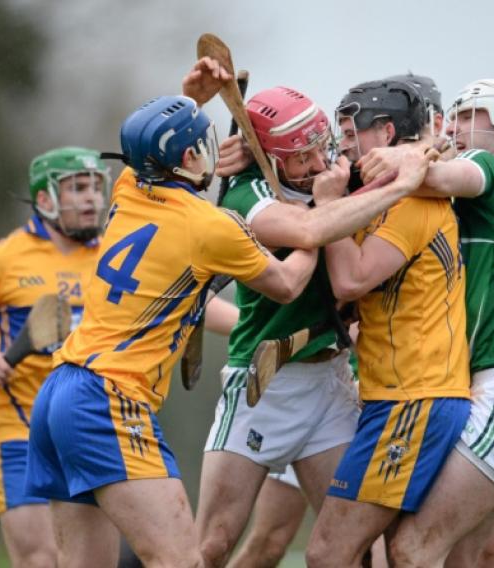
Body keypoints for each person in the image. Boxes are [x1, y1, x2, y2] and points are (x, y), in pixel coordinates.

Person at [21, 94, 322, 567]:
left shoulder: (128, 189)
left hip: (58, 393)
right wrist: (317, 226)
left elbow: (150, 145)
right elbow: (286, 283)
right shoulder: (208, 225)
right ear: (188, 157)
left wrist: (193, 95)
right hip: (110, 399)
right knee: (183, 561)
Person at [181, 60, 442, 567]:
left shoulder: (335, 178)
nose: (316, 163)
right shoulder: (245, 195)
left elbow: (415, 156)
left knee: (354, 550)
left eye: (319, 147)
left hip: (330, 383)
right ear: (269, 159)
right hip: (263, 387)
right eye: (298, 158)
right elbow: (307, 231)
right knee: (210, 547)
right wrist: (352, 194)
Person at [357, 78, 494, 566]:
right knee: (465, 557)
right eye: (456, 115)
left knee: (411, 548)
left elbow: (439, 178)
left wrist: (401, 154)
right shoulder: (474, 198)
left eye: (474, 117)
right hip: (474, 386)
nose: (457, 127)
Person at [305, 79, 471, 568]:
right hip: (396, 397)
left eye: (352, 130)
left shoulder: (413, 199)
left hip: (414, 399)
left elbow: (351, 280)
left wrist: (326, 207)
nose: (343, 143)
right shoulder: (381, 197)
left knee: (327, 553)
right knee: (394, 555)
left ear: (388, 131)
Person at [0, 147, 109, 567]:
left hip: (90, 431)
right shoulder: (0, 260)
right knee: (41, 560)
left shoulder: (115, 258)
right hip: (17, 432)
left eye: (95, 186)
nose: (91, 197)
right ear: (44, 199)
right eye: (77, 188)